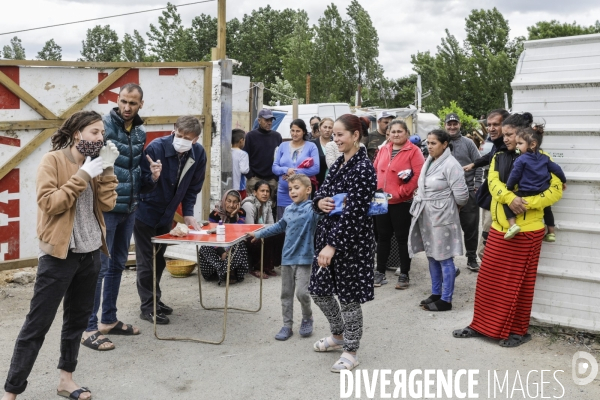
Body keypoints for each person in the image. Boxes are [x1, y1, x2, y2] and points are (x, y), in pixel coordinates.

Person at [1, 111, 118, 400]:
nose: (100, 138)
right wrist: (82, 176)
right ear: (78, 133)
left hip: (90, 254)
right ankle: (10, 392)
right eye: (94, 132)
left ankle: (66, 380)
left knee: (76, 322)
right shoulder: (52, 160)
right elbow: (50, 203)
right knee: (37, 324)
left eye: (102, 133)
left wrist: (108, 171)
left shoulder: (95, 164)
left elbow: (108, 204)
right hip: (59, 257)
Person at [453, 112, 563, 347]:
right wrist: (510, 198)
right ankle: (480, 325)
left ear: (524, 134)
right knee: (488, 281)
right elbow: (492, 183)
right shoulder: (499, 156)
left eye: (510, 135)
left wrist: (527, 203)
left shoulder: (541, 158)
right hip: (499, 227)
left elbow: (557, 188)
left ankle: (517, 331)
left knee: (519, 284)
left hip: (528, 230)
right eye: (504, 135)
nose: (506, 140)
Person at [310, 114, 377, 373]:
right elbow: (321, 193)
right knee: (318, 290)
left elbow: (355, 213)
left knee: (349, 299)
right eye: (334, 134)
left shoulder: (363, 168)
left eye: (340, 135)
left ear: (355, 136)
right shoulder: (339, 163)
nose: (335, 139)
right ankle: (337, 336)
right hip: (327, 236)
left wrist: (333, 246)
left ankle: (351, 350)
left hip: (351, 243)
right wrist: (319, 203)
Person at [82, 83, 145, 352]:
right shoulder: (103, 126)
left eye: (132, 103)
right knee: (100, 268)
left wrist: (149, 175)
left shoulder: (141, 131)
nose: (127, 107)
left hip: (129, 207)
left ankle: (108, 320)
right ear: (116, 100)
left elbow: (134, 167)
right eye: (123, 101)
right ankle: (88, 327)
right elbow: (83, 155)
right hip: (106, 208)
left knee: (118, 265)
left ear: (140, 104)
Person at [135, 115, 207, 325]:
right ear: (174, 129)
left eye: (188, 137)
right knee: (146, 262)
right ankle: (148, 307)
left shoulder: (198, 154)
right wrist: (153, 178)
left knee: (158, 260)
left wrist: (188, 213)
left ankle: (155, 300)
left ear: (196, 139)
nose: (182, 139)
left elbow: (193, 187)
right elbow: (143, 181)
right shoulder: (156, 148)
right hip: (145, 213)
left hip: (166, 216)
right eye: (180, 134)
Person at [248, 174, 320, 340]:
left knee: (302, 293)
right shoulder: (288, 210)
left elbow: (325, 213)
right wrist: (258, 234)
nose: (292, 192)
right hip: (287, 258)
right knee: (286, 294)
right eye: (290, 189)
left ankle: (307, 318)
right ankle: (287, 325)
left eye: (296, 188)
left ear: (308, 190)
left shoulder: (312, 209)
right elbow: (278, 227)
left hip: (304, 258)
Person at [408, 130, 469, 311]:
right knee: (432, 255)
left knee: (444, 257)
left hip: (443, 216)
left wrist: (451, 208)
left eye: (433, 143)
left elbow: (462, 196)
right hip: (427, 215)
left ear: (444, 144)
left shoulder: (452, 164)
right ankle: (436, 293)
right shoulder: (430, 161)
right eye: (428, 143)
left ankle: (446, 299)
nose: (429, 146)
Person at [372, 120, 424, 289]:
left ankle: (404, 274)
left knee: (402, 238)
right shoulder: (384, 149)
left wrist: (402, 192)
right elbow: (374, 170)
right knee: (382, 237)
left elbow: (417, 176)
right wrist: (375, 190)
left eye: (399, 131)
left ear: (406, 133)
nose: (395, 134)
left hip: (401, 201)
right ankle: (379, 272)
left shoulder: (414, 151)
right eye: (392, 131)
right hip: (380, 200)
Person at [503, 126, 566, 240]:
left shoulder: (521, 159)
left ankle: (512, 225)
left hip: (526, 191)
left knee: (507, 201)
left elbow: (514, 175)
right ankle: (551, 232)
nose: (516, 146)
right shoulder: (545, 158)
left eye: (520, 143)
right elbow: (557, 169)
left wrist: (509, 187)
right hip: (542, 190)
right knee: (547, 209)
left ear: (532, 144)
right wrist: (563, 181)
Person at [463, 109, 510, 260]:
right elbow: (490, 156)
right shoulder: (497, 144)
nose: (491, 128)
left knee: (488, 247)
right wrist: (474, 164)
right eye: (489, 125)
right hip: (490, 200)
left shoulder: (508, 149)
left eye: (496, 124)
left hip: (499, 202)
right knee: (486, 241)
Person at [444, 113, 483, 272]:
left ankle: (471, 258)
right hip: (445, 194)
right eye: (449, 124)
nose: (452, 127)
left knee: (471, 227)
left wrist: (477, 184)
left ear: (459, 124)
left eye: (455, 124)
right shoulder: (441, 142)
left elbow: (479, 163)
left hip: (467, 191)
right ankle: (448, 260)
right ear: (445, 125)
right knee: (446, 228)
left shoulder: (468, 143)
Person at [199, 190, 250, 284]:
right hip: (217, 245)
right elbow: (211, 236)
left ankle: (229, 271)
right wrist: (221, 251)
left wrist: (233, 216)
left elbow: (238, 234)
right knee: (204, 247)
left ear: (239, 203)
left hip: (232, 244)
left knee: (240, 243)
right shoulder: (215, 214)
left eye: (235, 202)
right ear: (224, 201)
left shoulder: (241, 212)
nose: (231, 205)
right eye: (229, 201)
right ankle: (224, 270)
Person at [273, 119, 320, 220]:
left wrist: (295, 173)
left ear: (303, 131)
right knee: (283, 223)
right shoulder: (282, 146)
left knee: (301, 222)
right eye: (292, 130)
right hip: (283, 192)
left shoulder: (311, 146)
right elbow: (275, 167)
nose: (294, 134)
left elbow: (316, 168)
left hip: (302, 193)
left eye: (298, 131)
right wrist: (286, 169)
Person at [241, 180, 281, 278]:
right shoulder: (248, 205)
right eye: (262, 191)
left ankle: (269, 266)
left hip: (260, 233)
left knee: (280, 234)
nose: (265, 194)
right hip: (248, 237)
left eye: (267, 191)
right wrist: (264, 233)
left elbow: (271, 225)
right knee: (266, 238)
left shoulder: (267, 204)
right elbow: (250, 228)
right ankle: (257, 268)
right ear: (255, 192)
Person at [244, 109, 282, 204]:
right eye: (266, 120)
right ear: (259, 120)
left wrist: (275, 177)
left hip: (271, 179)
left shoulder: (277, 136)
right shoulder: (250, 136)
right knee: (253, 207)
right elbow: (244, 156)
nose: (269, 123)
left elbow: (281, 156)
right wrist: (250, 175)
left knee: (270, 208)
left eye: (271, 120)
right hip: (255, 178)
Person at [311, 117, 334, 188]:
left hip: (333, 183)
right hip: (317, 184)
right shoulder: (313, 144)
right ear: (319, 128)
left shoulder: (337, 144)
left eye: (330, 127)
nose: (327, 130)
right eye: (325, 127)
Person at [231, 128, 249, 198]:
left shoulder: (228, 152)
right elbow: (244, 170)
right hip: (239, 187)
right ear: (241, 141)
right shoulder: (243, 154)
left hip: (229, 187)